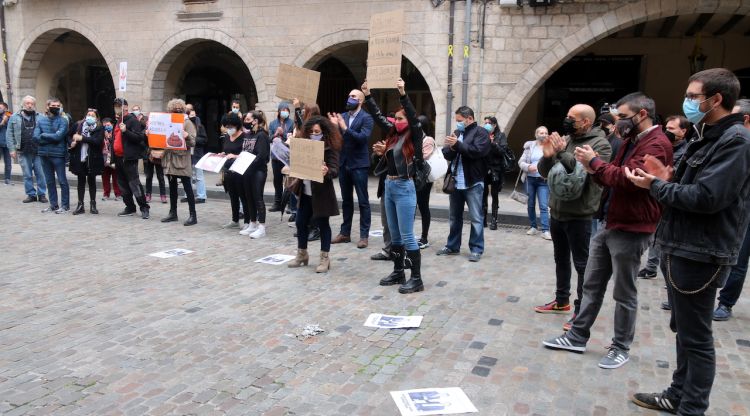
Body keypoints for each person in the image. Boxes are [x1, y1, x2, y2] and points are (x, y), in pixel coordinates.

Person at [626, 68, 750, 416]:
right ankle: (677, 394)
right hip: (683, 245)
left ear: (716, 99)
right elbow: (691, 190)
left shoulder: (735, 140)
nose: (688, 101)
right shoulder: (706, 135)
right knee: (683, 330)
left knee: (696, 337)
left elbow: (709, 197)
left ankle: (691, 407)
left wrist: (656, 186)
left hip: (702, 252)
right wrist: (666, 180)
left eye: (694, 96)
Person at [543, 92, 673, 370]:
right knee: (591, 283)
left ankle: (620, 346)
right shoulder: (631, 140)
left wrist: (593, 164)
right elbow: (612, 173)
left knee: (624, 292)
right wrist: (593, 167)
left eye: (623, 118)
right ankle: (577, 335)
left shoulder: (657, 143)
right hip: (610, 220)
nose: (618, 124)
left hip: (632, 225)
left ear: (642, 115)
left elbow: (628, 179)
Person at [533, 104, 611, 329]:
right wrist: (548, 157)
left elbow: (583, 172)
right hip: (557, 210)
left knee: (582, 264)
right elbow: (545, 172)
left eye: (571, 117)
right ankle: (561, 300)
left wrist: (561, 152)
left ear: (586, 121)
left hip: (580, 214)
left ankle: (581, 310)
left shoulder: (600, 144)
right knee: (560, 258)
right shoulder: (565, 139)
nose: (567, 120)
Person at [366, 78, 425, 293]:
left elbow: (412, 117)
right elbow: (380, 118)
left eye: (401, 118)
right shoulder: (393, 136)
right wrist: (368, 96)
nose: (397, 121)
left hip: (404, 187)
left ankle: (416, 278)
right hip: (389, 187)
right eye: (396, 118)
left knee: (407, 235)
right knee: (395, 235)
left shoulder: (414, 135)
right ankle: (398, 272)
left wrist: (403, 94)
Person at [637, 115, 691, 281]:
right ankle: (652, 267)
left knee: (661, 237)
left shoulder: (686, 151)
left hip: (672, 198)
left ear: (683, 131)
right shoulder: (663, 146)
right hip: (659, 195)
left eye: (672, 129)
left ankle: (659, 271)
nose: (667, 132)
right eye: (666, 128)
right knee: (655, 234)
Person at [287, 115, 342, 273]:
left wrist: (326, 171)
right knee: (300, 222)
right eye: (311, 131)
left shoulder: (329, 147)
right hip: (305, 192)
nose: (313, 134)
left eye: (316, 131)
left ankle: (325, 258)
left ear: (323, 132)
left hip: (322, 193)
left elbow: (334, 169)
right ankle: (302, 254)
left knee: (323, 224)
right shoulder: (304, 145)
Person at [712, 98, 750, 322]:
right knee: (734, 257)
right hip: (737, 210)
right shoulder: (734, 141)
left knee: (737, 259)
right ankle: (720, 300)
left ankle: (726, 302)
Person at [436, 106, 491, 262]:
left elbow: (477, 151)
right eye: (456, 120)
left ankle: (476, 249)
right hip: (456, 182)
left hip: (473, 182)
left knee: (476, 218)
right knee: (454, 217)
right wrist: (451, 146)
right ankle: (452, 246)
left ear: (470, 119)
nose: (458, 123)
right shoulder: (458, 132)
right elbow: (447, 153)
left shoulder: (481, 133)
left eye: (460, 121)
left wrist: (457, 145)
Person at [329, 89, 374, 249]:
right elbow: (336, 140)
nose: (350, 98)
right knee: (346, 200)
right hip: (344, 163)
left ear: (360, 101)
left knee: (363, 201)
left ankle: (363, 236)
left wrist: (345, 128)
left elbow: (362, 139)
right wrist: (335, 128)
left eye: (353, 96)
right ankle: (345, 233)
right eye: (349, 96)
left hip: (359, 165)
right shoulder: (344, 116)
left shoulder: (367, 118)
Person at [158, 99, 197, 226]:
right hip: (170, 159)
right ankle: (173, 212)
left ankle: (193, 215)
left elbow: (193, 142)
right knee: (172, 187)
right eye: (174, 110)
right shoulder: (168, 122)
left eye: (179, 110)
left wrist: (187, 136)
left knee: (187, 187)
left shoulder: (187, 123)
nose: (177, 112)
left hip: (182, 160)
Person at [112, 98, 150, 219]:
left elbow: (139, 137)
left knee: (134, 184)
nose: (118, 108)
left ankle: (144, 207)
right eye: (116, 106)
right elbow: (114, 140)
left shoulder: (132, 121)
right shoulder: (117, 121)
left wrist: (126, 131)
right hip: (118, 158)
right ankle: (130, 207)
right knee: (122, 185)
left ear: (126, 107)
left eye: (120, 106)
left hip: (129, 158)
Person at [6, 96, 47, 203]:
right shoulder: (14, 117)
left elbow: (45, 131)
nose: (29, 105)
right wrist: (11, 149)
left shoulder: (41, 117)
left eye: (32, 103)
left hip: (38, 150)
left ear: (34, 105)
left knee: (40, 174)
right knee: (27, 174)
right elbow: (9, 134)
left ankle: (42, 194)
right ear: (23, 104)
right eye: (28, 103)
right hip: (22, 150)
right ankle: (31, 194)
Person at [33, 97, 69, 213]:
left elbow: (59, 137)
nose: (55, 108)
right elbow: (35, 137)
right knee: (49, 181)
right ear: (47, 107)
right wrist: (49, 137)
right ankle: (53, 205)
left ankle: (65, 206)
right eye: (53, 106)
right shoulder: (40, 120)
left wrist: (44, 135)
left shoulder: (63, 121)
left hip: (58, 154)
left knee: (62, 181)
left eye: (58, 106)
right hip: (44, 154)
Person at [238, 110, 270, 238]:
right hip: (246, 171)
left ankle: (261, 227)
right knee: (249, 197)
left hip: (258, 171)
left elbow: (261, 156)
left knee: (258, 198)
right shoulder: (248, 135)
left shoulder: (262, 135)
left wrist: (248, 164)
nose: (245, 122)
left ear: (255, 121)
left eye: (248, 119)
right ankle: (252, 223)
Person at [68, 109, 104, 215]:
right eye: (88, 115)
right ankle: (80, 205)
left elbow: (97, 141)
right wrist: (71, 143)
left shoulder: (99, 127)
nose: (90, 117)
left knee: (92, 181)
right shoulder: (78, 125)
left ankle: (93, 204)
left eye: (92, 115)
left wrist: (82, 138)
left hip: (92, 158)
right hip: (80, 157)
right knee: (81, 181)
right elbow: (69, 136)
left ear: (96, 118)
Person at [518, 126, 550, 239]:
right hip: (530, 179)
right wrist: (528, 167)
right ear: (536, 134)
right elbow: (520, 161)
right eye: (541, 132)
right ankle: (533, 227)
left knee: (543, 205)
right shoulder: (529, 146)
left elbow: (554, 163)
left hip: (543, 180)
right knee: (530, 204)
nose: (544, 135)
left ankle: (546, 230)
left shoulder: (550, 147)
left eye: (546, 133)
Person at [219, 114, 246, 229]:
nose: (229, 129)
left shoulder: (245, 136)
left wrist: (235, 156)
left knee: (243, 196)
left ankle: (248, 220)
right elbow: (226, 150)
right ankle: (235, 220)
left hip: (240, 171)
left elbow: (247, 154)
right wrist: (223, 154)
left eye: (231, 126)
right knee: (233, 196)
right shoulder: (226, 137)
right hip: (228, 171)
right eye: (227, 126)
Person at [269, 101, 295, 213]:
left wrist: (283, 134)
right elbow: (269, 138)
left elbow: (293, 138)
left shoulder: (292, 123)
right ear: (279, 111)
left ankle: (289, 203)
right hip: (275, 155)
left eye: (286, 110)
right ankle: (277, 202)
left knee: (288, 180)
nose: (284, 112)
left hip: (287, 155)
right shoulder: (273, 123)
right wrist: (275, 133)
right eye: (282, 110)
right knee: (277, 180)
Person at [482, 116, 506, 230]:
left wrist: (492, 143)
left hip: (496, 169)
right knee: (483, 194)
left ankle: (494, 220)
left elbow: (502, 151)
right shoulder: (482, 135)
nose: (487, 125)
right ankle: (483, 219)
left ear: (494, 125)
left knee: (495, 195)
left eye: (489, 123)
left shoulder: (501, 136)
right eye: (485, 123)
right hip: (484, 169)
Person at [140, 105, 166, 204]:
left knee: (160, 176)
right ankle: (148, 194)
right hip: (148, 156)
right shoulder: (144, 132)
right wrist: (145, 136)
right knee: (149, 176)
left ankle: (163, 195)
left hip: (158, 155)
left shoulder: (160, 130)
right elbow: (141, 143)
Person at [416, 114, 436, 248]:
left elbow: (423, 156)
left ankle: (424, 237)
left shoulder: (428, 140)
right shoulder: (413, 138)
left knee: (423, 206)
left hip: (424, 179)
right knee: (412, 206)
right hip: (413, 176)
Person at [184, 104, 207, 204]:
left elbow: (204, 140)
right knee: (187, 176)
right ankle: (187, 195)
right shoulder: (185, 124)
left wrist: (192, 138)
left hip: (197, 154)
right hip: (187, 153)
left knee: (199, 176)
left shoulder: (200, 126)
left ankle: (201, 196)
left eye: (194, 114)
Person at [100, 118, 121, 201]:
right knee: (105, 177)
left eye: (108, 125)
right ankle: (106, 194)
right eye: (105, 125)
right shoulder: (101, 134)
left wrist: (110, 138)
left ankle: (118, 194)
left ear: (112, 125)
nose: (107, 127)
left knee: (116, 177)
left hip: (114, 158)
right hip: (104, 159)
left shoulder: (115, 133)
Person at [0, 102, 11, 185]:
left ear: (6, 109)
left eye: (1, 107)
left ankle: (7, 179)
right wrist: (3, 120)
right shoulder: (3, 117)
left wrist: (8, 118)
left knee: (8, 162)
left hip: (7, 143)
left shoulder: (10, 116)